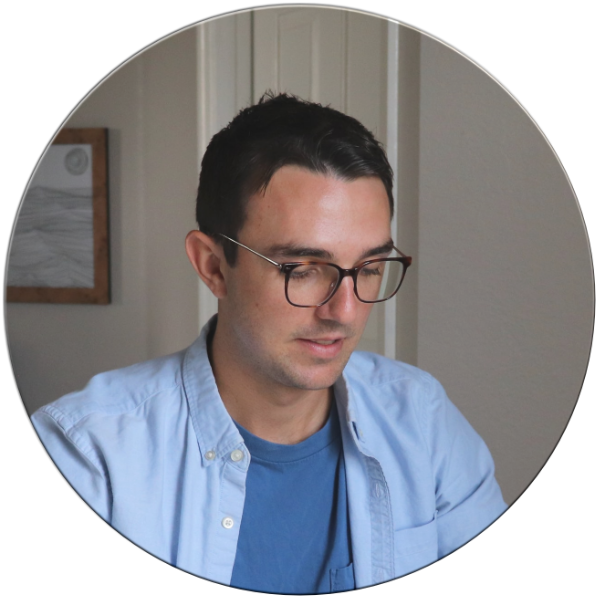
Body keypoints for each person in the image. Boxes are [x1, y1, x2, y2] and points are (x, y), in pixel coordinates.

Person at [31, 92, 507, 593]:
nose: (344, 312)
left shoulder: (422, 420)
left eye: (369, 268)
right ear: (213, 267)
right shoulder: (89, 457)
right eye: (302, 269)